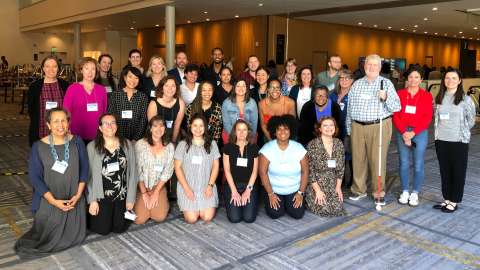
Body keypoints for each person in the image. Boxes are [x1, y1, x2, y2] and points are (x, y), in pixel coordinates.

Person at [15, 108, 88, 258]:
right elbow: (35, 178)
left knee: (76, 235)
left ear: (68, 123)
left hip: (74, 199)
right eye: (55, 121)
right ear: (48, 125)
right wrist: (53, 201)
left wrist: (79, 194)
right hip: (50, 199)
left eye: (63, 120)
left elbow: (85, 169)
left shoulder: (77, 141)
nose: (60, 125)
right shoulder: (38, 146)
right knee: (47, 236)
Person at [346, 54, 401, 206]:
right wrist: (349, 128)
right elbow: (350, 108)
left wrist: (386, 97)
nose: (371, 68)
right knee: (358, 159)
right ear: (364, 67)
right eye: (368, 65)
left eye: (375, 65)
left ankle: (378, 192)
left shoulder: (386, 83)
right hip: (357, 126)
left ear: (380, 67)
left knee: (377, 160)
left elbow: (397, 107)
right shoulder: (357, 84)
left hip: (379, 126)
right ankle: (359, 190)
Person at [433, 69, 476, 213]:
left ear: (459, 81)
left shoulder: (466, 99)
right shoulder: (440, 97)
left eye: (453, 78)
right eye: (447, 78)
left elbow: (471, 120)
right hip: (441, 140)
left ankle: (454, 200)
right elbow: (437, 118)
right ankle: (446, 198)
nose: (450, 80)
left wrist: (461, 132)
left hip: (458, 141)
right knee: (444, 171)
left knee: (457, 171)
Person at [86, 113, 137, 235]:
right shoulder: (92, 147)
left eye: (113, 122)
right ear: (100, 128)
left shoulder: (127, 144)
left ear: (117, 126)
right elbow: (89, 176)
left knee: (119, 228)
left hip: (121, 196)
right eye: (106, 123)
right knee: (102, 230)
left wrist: (131, 199)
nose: (110, 126)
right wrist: (92, 200)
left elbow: (133, 173)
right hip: (101, 197)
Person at [393, 66, 433, 207]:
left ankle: (415, 192)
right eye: (411, 77)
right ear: (407, 79)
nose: (413, 80)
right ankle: (405, 191)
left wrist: (413, 132)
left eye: (417, 77)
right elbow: (396, 115)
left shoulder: (426, 95)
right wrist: (404, 132)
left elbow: (427, 117)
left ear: (421, 79)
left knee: (418, 163)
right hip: (402, 132)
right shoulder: (400, 94)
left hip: (419, 132)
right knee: (403, 162)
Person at [174, 114, 221, 223]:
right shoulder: (183, 144)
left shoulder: (212, 144)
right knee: (192, 219)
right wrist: (186, 189)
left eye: (201, 126)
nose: (198, 129)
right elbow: (177, 168)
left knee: (207, 217)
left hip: (206, 186)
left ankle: (202, 206)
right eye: (195, 125)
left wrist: (210, 186)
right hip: (188, 187)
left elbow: (216, 166)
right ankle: (191, 207)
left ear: (205, 127)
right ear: (190, 126)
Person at [259, 115, 308, 219]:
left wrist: (300, 193)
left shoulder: (298, 148)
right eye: (279, 129)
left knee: (297, 214)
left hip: (294, 189)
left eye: (286, 129)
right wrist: (270, 194)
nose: (282, 132)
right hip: (274, 190)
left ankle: (288, 203)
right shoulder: (267, 149)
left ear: (291, 131)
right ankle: (281, 203)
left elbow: (305, 172)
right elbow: (263, 173)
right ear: (274, 132)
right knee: (275, 214)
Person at [134, 116, 174, 224]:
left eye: (161, 126)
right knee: (139, 219)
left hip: (158, 185)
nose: (158, 129)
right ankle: (145, 203)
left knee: (159, 217)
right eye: (155, 126)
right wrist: (144, 193)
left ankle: (163, 198)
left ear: (165, 129)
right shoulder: (140, 144)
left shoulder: (169, 146)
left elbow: (168, 171)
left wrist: (156, 192)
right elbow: (137, 171)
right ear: (150, 128)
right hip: (142, 185)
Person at [305, 117, 346, 217]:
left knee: (337, 208)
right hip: (316, 183)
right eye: (325, 125)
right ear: (319, 129)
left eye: (331, 125)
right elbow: (310, 170)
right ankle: (307, 199)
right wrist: (318, 191)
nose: (329, 128)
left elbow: (341, 168)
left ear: (335, 128)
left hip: (332, 182)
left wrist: (338, 187)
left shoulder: (338, 143)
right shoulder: (313, 145)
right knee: (323, 209)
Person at [63, 57, 107, 144]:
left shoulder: (102, 90)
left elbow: (104, 112)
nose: (90, 72)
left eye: (93, 69)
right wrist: (66, 129)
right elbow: (65, 111)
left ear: (96, 71)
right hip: (76, 134)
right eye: (86, 68)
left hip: (97, 135)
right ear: (81, 70)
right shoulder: (72, 89)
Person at [28, 56, 70, 146]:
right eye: (47, 66)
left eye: (54, 66)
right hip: (41, 129)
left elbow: (69, 108)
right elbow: (31, 110)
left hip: (61, 129)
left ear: (58, 68)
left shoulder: (65, 85)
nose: (51, 69)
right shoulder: (35, 87)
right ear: (43, 68)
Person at [223, 120, 259, 223]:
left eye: (244, 130)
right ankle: (238, 201)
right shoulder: (228, 147)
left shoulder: (254, 147)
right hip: (232, 185)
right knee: (235, 218)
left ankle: (246, 202)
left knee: (249, 218)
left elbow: (254, 172)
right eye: (239, 130)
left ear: (248, 132)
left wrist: (248, 190)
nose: (242, 133)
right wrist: (234, 191)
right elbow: (227, 171)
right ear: (234, 131)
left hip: (249, 185)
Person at [107, 66, 148, 141]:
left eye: (136, 78)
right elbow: (111, 115)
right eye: (130, 77)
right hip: (117, 136)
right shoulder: (115, 95)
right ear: (125, 77)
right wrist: (116, 136)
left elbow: (143, 119)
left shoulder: (143, 97)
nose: (133, 80)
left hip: (136, 138)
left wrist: (136, 139)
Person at [330, 69, 354, 188]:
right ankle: (341, 179)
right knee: (338, 155)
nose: (344, 81)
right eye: (342, 78)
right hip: (334, 130)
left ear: (352, 81)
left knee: (350, 155)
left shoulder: (354, 94)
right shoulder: (333, 94)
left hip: (349, 128)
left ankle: (352, 180)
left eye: (347, 78)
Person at [147, 75, 185, 144]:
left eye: (173, 86)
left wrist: (173, 142)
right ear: (162, 88)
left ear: (176, 88)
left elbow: (177, 125)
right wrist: (160, 143)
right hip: (156, 137)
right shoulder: (153, 104)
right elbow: (152, 127)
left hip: (173, 135)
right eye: (166, 85)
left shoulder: (181, 103)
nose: (170, 88)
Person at [258, 79, 295, 143]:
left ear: (281, 89)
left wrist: (283, 139)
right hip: (269, 136)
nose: (275, 90)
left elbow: (292, 124)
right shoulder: (261, 104)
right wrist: (271, 140)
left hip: (287, 136)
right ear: (268, 89)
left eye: (277, 87)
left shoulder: (290, 102)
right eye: (272, 87)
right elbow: (263, 125)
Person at [221, 79, 258, 144]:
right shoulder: (226, 103)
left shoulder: (252, 103)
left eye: (243, 86)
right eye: (238, 86)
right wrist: (236, 139)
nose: (241, 88)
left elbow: (254, 124)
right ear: (234, 88)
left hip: (248, 136)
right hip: (230, 135)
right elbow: (226, 124)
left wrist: (248, 138)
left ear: (246, 88)